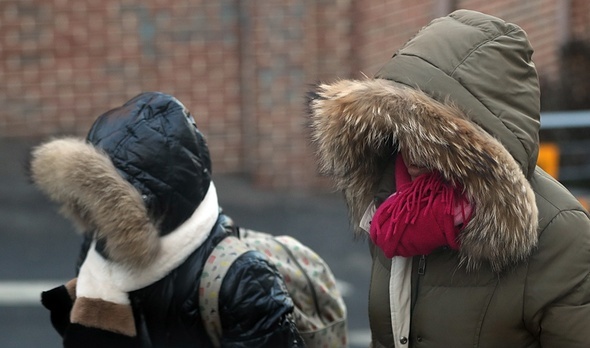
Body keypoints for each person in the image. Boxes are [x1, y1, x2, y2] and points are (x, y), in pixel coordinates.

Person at [307, 9, 590, 348]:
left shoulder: (561, 236)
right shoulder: (391, 208)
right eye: (402, 132)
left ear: (478, 145)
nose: (411, 155)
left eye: (433, 141)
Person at [30, 92, 304, 347]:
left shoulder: (245, 280)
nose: (99, 220)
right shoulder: (100, 247)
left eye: (110, 205)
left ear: (151, 203)